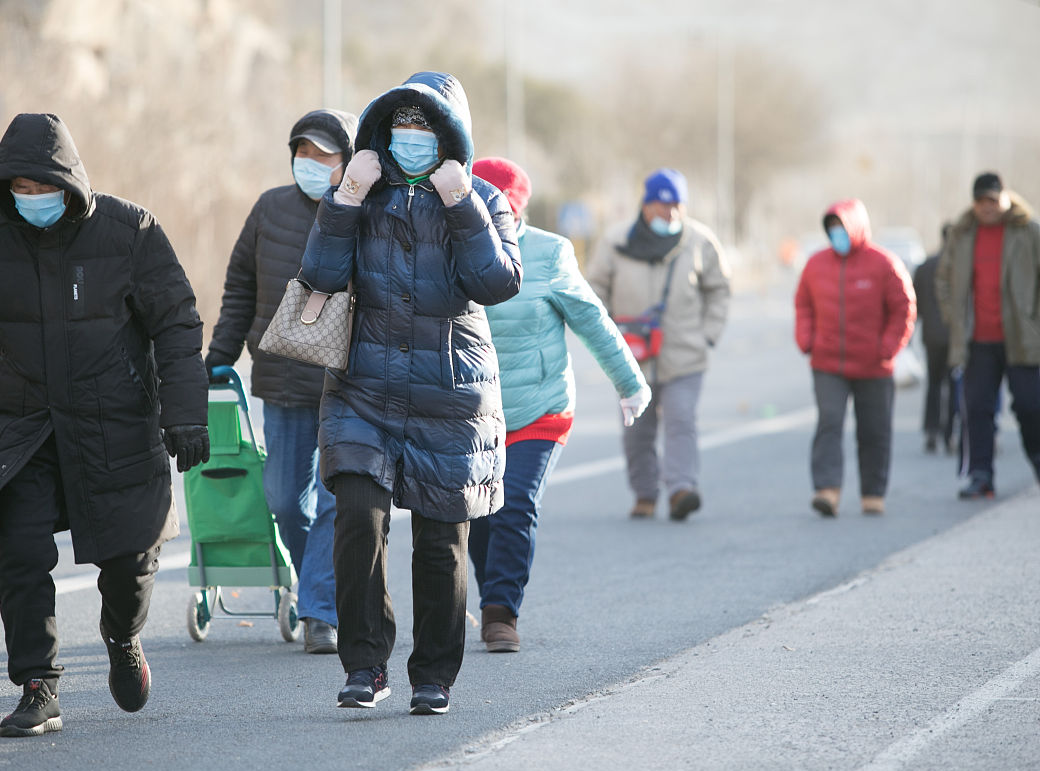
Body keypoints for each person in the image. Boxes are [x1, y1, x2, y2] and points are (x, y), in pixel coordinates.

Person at [0, 113, 209, 737]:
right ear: (4, 189)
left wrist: (185, 413)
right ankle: (38, 685)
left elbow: (176, 322)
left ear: (70, 182)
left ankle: (122, 635)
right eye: (20, 191)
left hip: (114, 421)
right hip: (22, 426)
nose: (32, 200)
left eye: (44, 187)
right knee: (21, 555)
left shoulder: (130, 231)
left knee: (130, 560)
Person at [301, 72, 521, 715]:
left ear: (450, 136)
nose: (412, 140)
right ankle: (365, 665)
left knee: (438, 543)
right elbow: (318, 274)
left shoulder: (481, 195)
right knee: (358, 522)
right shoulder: (361, 190)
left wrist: (461, 206)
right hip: (361, 388)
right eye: (402, 128)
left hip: (447, 394)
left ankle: (434, 674)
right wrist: (346, 194)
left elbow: (496, 282)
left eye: (426, 129)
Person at [467, 157, 650, 653]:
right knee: (478, 515)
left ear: (514, 209)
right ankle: (491, 594)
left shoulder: (548, 254)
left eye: (493, 203)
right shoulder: (450, 246)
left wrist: (630, 384)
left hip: (541, 407)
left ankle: (500, 612)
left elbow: (591, 319)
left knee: (516, 503)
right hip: (473, 411)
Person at [204, 109, 358, 655]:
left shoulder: (367, 212)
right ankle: (316, 585)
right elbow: (239, 288)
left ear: (349, 162)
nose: (311, 165)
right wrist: (218, 356)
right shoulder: (269, 208)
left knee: (337, 496)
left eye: (325, 156)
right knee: (286, 501)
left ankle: (321, 609)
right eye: (303, 153)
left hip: (347, 385)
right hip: (282, 379)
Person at [587, 168, 731, 521]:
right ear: (646, 206)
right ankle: (645, 494)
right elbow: (592, 292)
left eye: (677, 206)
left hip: (684, 355)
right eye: (663, 206)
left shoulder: (699, 240)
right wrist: (608, 335)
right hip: (631, 357)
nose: (671, 214)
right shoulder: (616, 241)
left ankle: (681, 488)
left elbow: (719, 290)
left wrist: (708, 334)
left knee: (682, 419)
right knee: (637, 431)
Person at [794, 199, 916, 517]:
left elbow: (904, 309)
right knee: (829, 423)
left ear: (856, 228)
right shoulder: (815, 264)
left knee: (874, 429)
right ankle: (827, 489)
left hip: (874, 365)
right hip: (827, 363)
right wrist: (806, 339)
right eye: (832, 229)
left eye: (842, 228)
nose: (837, 235)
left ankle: (872, 492)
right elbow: (803, 304)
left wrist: (888, 347)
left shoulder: (884, 264)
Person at [935, 172, 1040, 498]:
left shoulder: (1028, 231)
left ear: (1005, 198)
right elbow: (944, 280)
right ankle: (981, 474)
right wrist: (955, 319)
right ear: (974, 203)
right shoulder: (962, 234)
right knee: (977, 408)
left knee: (1029, 405)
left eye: (993, 200)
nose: (987, 207)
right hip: (977, 341)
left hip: (1022, 338)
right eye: (981, 201)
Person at [913, 224, 957, 454]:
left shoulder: (925, 267)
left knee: (934, 384)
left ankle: (931, 430)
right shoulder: (959, 268)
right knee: (953, 386)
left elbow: (914, 306)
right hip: (954, 337)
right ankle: (949, 433)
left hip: (931, 336)